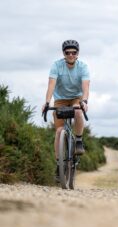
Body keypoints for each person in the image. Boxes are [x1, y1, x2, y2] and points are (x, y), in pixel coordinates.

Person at [42, 39, 90, 181]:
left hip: (77, 97)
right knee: (58, 131)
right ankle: (59, 164)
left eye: (73, 52)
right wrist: (46, 102)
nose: (70, 55)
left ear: (77, 54)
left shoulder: (83, 66)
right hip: (60, 99)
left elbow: (86, 86)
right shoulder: (56, 65)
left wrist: (84, 101)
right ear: (63, 53)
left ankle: (79, 140)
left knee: (78, 111)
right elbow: (51, 84)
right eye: (67, 52)